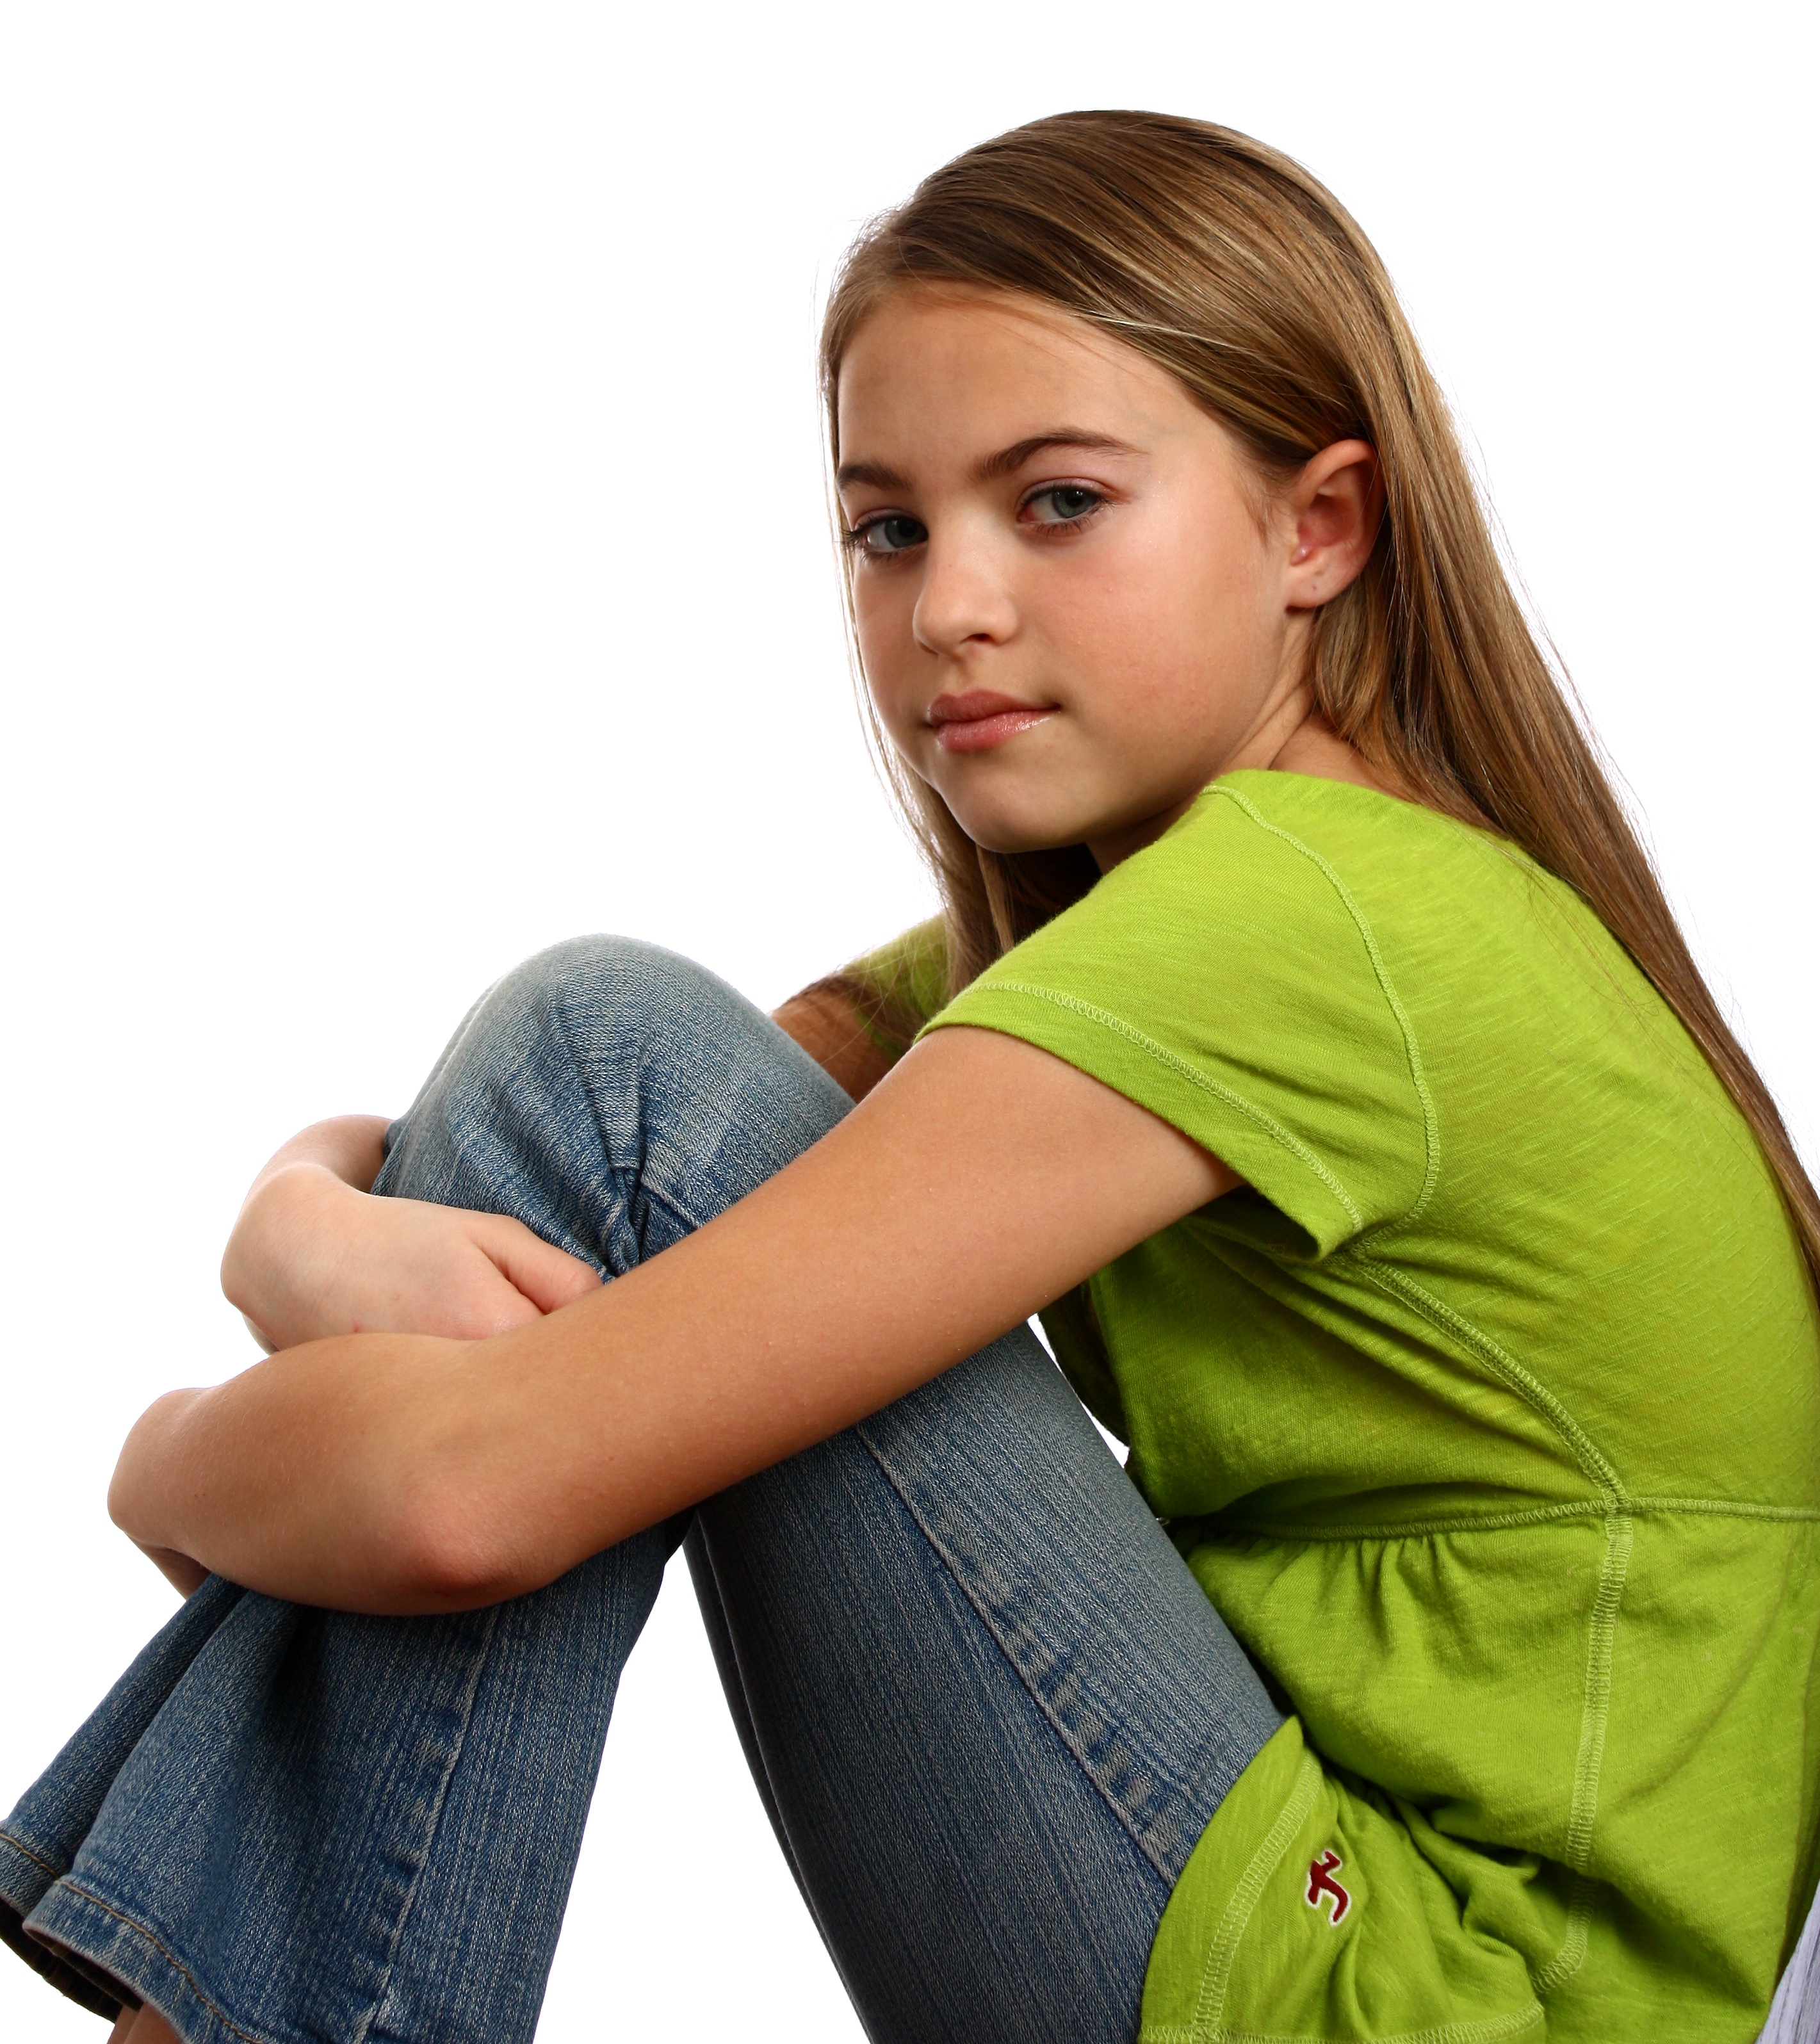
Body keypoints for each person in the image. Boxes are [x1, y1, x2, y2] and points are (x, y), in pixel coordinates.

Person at [3, 108, 1817, 2044]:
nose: (947, 606)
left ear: (1319, 528)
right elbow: (577, 1161)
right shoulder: (1229, 909)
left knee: (607, 1040)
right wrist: (296, 1229)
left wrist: (171, 1453)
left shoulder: (1295, 922)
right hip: (1356, 1940)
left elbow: (472, 1495)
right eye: (888, 526)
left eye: (1054, 503)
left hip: (1422, 1998)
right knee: (603, 1069)